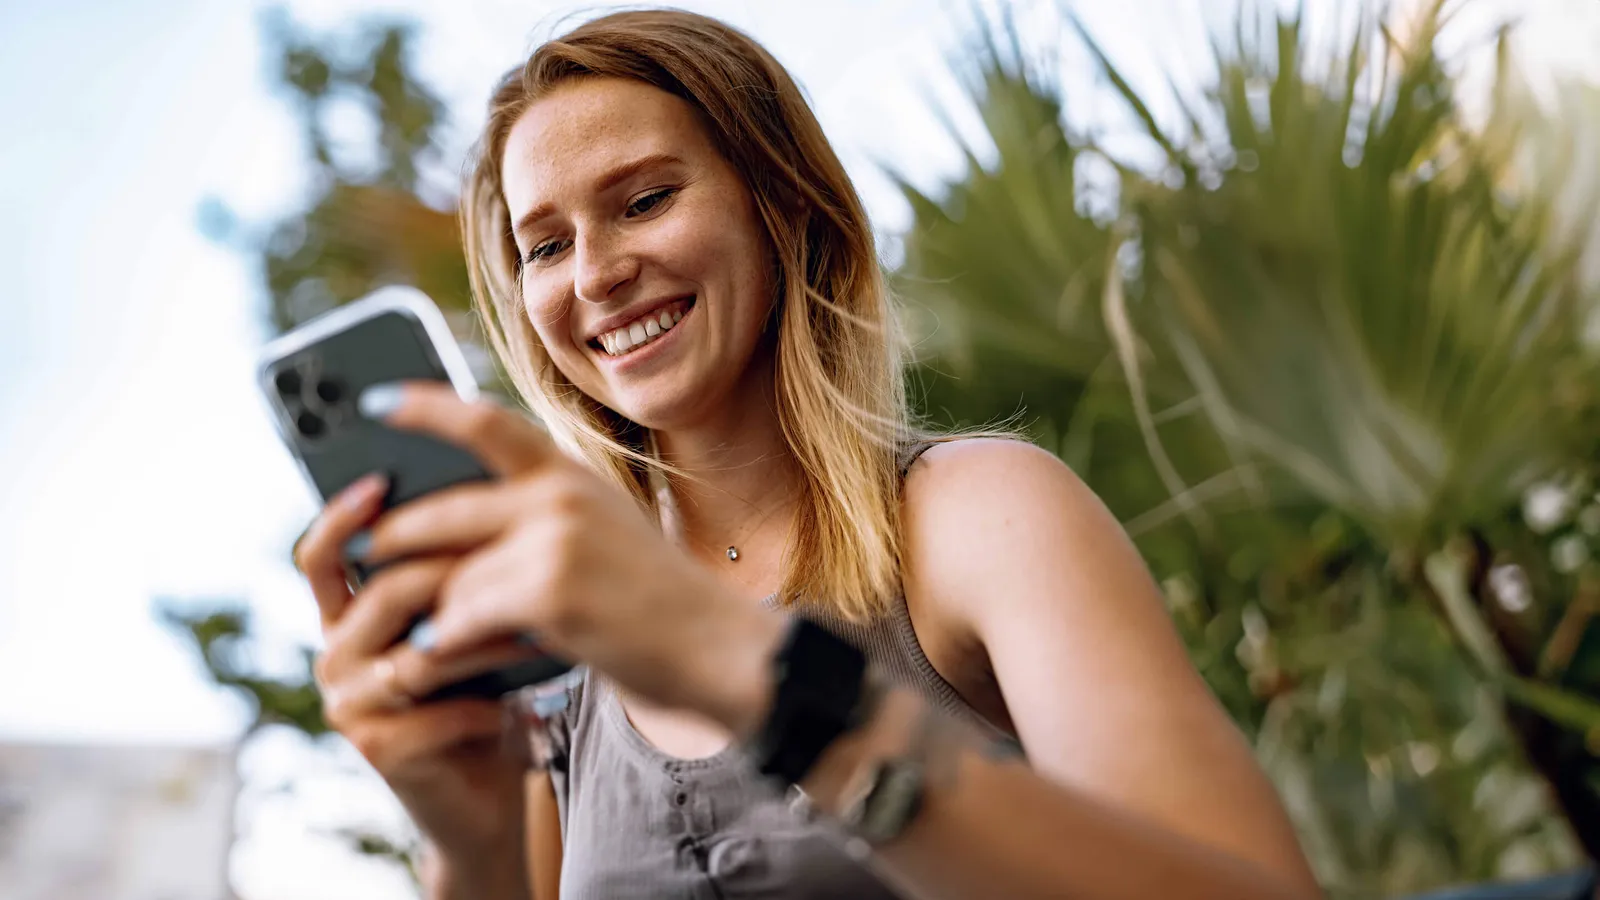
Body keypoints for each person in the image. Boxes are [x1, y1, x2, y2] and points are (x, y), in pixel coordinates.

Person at [293, 9, 1321, 900]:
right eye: (547, 245)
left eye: (645, 200)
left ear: (780, 203)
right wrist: (464, 847)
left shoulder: (981, 517)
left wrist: (749, 670)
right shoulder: (555, 667)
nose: (598, 274)